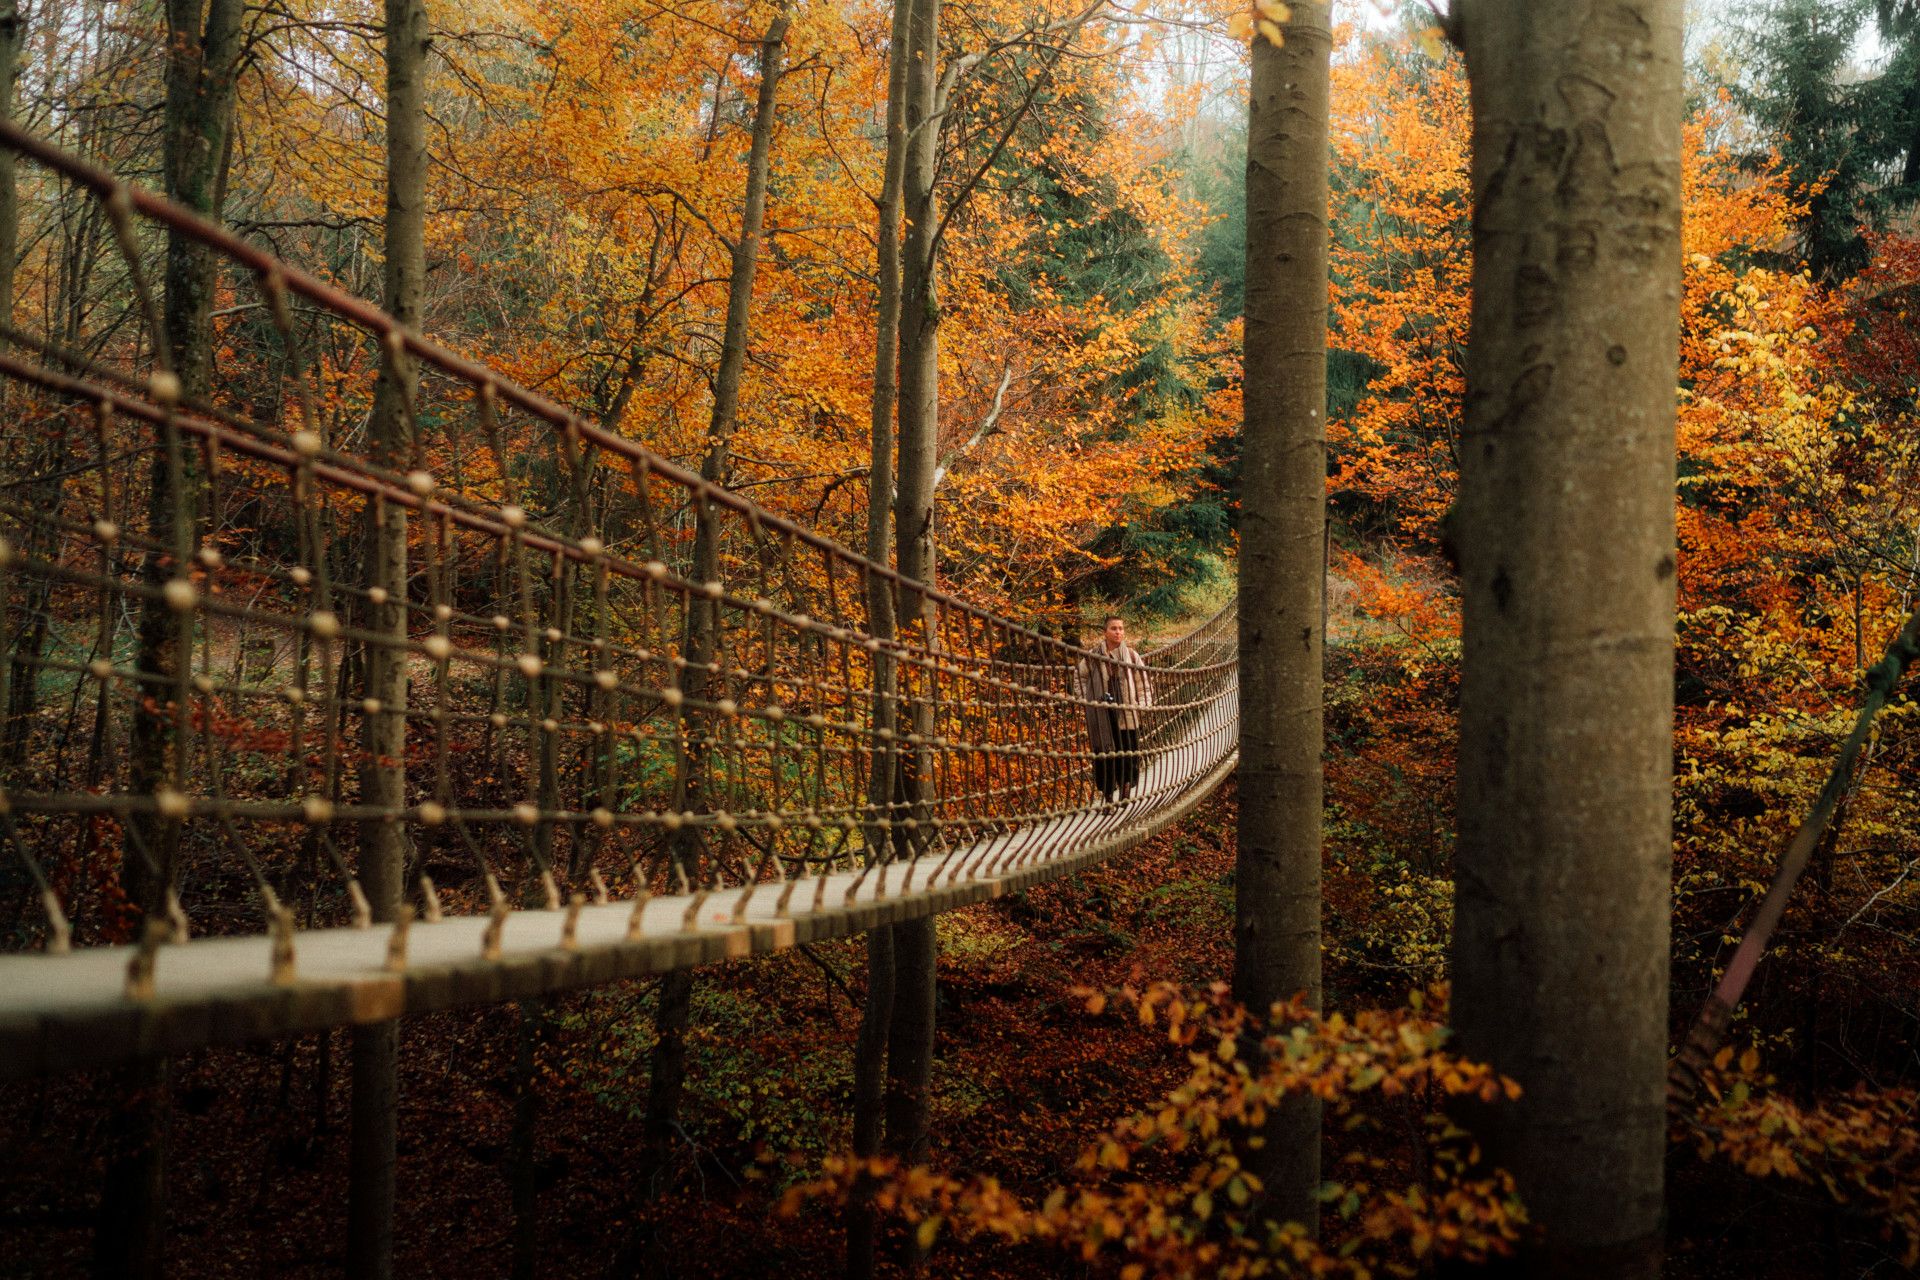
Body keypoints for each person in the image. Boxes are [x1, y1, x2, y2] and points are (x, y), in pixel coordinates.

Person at [1075, 613, 1153, 803]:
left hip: (1127, 711)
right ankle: (1108, 795)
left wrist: (1142, 705)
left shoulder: (1132, 656)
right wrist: (1086, 699)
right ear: (1105, 632)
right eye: (1114, 628)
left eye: (1121, 628)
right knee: (1105, 754)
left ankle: (1125, 789)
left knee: (1127, 752)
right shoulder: (1093, 657)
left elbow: (1143, 683)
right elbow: (1079, 676)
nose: (1118, 632)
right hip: (1103, 711)